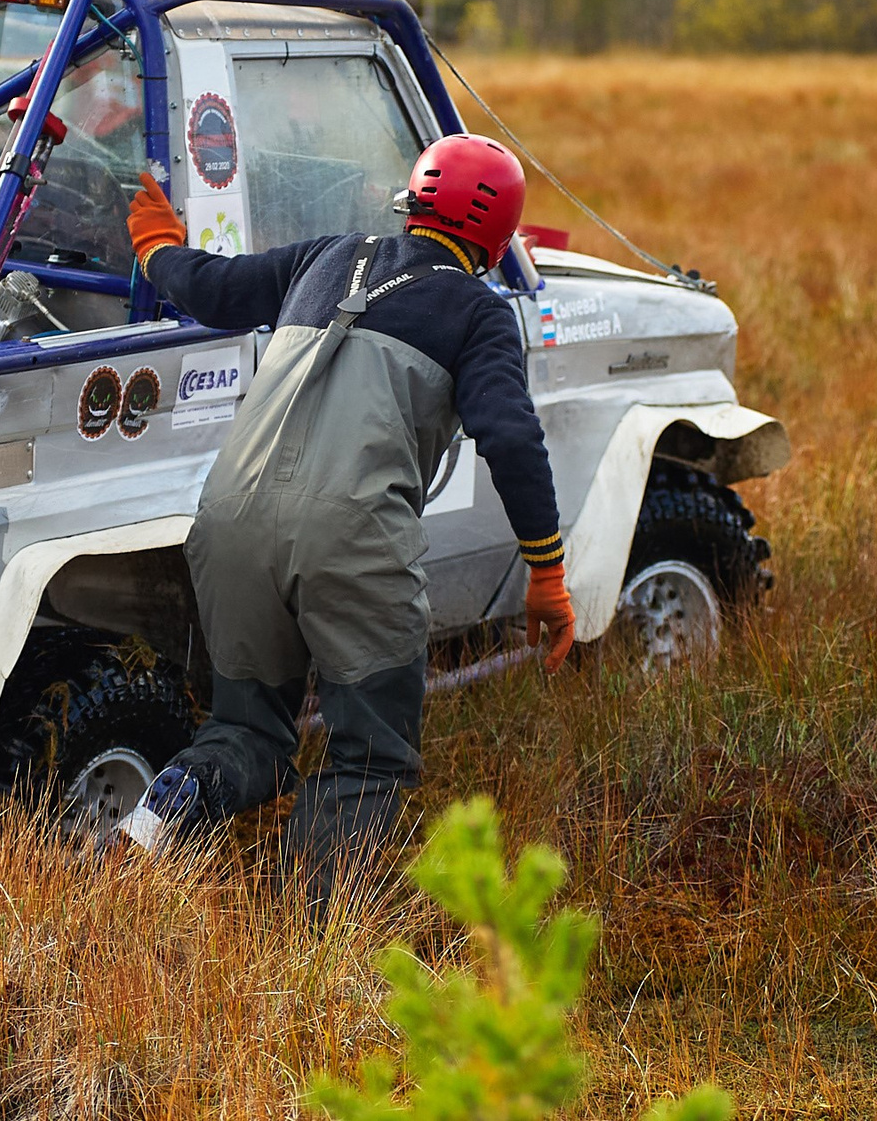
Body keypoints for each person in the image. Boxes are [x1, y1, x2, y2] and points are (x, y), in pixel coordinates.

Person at [110, 134, 573, 890]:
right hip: (350, 539)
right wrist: (547, 572)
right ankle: (307, 939)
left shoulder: (326, 257)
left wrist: (157, 243)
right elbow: (513, 441)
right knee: (371, 755)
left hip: (227, 521)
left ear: (413, 202)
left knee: (247, 730)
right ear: (494, 239)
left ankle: (167, 809)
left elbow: (210, 287)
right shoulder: (478, 312)